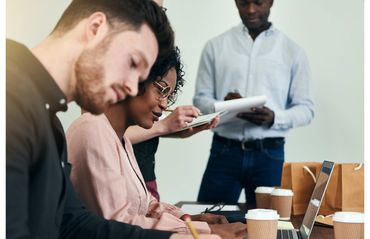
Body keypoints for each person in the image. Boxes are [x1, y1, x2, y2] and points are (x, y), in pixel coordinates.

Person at [5, 0, 204, 238]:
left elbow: (73, 223)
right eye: (132, 62)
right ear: (96, 27)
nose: (132, 87)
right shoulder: (10, 98)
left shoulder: (48, 120)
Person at [67, 47, 246, 239]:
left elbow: (146, 205)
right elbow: (119, 224)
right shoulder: (92, 129)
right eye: (161, 90)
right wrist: (206, 231)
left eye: (169, 95)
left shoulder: (121, 138)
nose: (164, 104)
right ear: (133, 78)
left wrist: (191, 219)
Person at [193, 0, 314, 207]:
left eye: (258, 2)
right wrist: (222, 105)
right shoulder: (215, 46)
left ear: (271, 2)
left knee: (269, 226)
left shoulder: (293, 51)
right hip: (224, 152)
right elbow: (199, 100)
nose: (250, 10)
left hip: (269, 155)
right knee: (207, 220)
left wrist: (275, 117)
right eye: (243, 3)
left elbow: (306, 109)